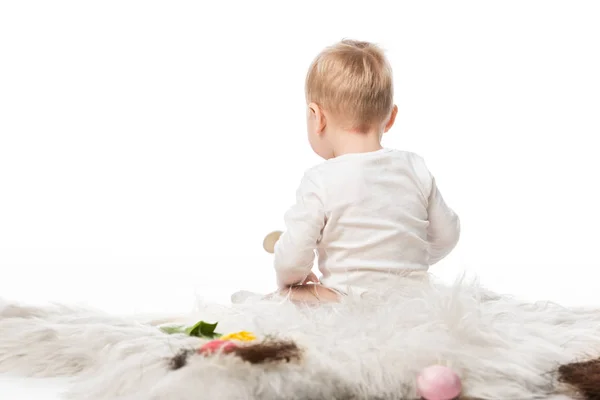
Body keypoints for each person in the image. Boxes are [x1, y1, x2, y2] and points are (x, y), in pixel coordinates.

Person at [271, 39, 461, 304]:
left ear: (318, 117)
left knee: (284, 298)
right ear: (390, 117)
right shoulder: (414, 168)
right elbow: (448, 234)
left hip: (347, 300)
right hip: (414, 299)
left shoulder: (320, 180)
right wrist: (403, 262)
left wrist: (295, 280)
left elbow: (290, 262)